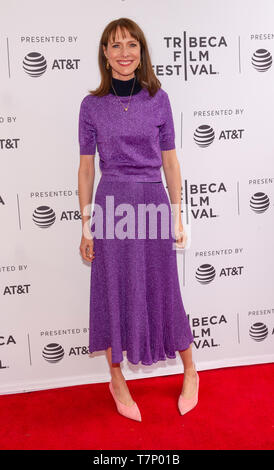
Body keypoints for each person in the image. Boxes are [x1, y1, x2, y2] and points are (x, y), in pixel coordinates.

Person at [78, 18, 199, 422]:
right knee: (111, 292)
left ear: (141, 52)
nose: (124, 52)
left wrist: (179, 213)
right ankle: (116, 381)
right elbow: (85, 169)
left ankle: (191, 371)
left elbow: (170, 161)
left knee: (163, 288)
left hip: (152, 203)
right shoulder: (91, 106)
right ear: (105, 54)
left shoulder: (158, 99)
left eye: (131, 45)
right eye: (116, 46)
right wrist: (84, 224)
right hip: (111, 207)